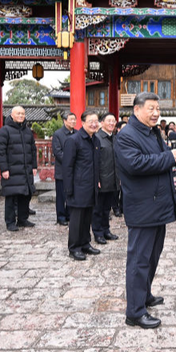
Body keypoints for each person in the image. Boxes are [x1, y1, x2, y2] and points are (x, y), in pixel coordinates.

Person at [115, 92, 176, 329]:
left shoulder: (152, 132)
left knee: (152, 256)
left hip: (157, 205)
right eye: (151, 108)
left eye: (158, 109)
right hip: (142, 207)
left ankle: (144, 295)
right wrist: (169, 157)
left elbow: (163, 156)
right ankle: (134, 312)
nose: (156, 113)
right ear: (137, 110)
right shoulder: (126, 136)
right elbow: (136, 164)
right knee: (139, 260)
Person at [63, 110, 101, 261]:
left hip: (91, 186)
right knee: (77, 220)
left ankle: (85, 243)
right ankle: (74, 248)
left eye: (96, 121)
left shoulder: (95, 140)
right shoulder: (73, 140)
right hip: (78, 187)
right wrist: (68, 189)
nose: (94, 124)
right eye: (91, 121)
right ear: (83, 122)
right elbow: (67, 167)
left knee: (87, 218)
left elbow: (96, 164)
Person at [0, 106, 38, 232]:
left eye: (23, 114)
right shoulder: (4, 131)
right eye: (18, 113)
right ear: (12, 115)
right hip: (11, 169)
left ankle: (22, 219)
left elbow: (33, 150)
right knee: (11, 196)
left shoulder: (27, 131)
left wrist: (34, 166)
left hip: (26, 169)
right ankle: (10, 222)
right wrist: (4, 169)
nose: (21, 116)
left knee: (25, 195)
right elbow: (0, 152)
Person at [92, 113, 120, 245]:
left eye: (113, 121)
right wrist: (96, 178)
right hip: (101, 179)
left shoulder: (115, 138)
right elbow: (94, 161)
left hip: (113, 178)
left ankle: (106, 230)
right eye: (109, 121)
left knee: (107, 208)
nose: (111, 123)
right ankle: (98, 233)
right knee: (98, 209)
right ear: (102, 123)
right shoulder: (97, 138)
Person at [51, 112, 76, 226]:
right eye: (71, 119)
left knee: (72, 194)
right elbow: (57, 152)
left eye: (74, 119)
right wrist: (69, 161)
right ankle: (61, 217)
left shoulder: (77, 133)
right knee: (61, 196)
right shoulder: (58, 134)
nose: (73, 122)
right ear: (65, 121)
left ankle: (70, 215)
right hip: (62, 170)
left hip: (74, 170)